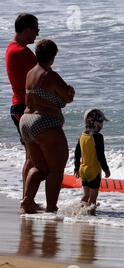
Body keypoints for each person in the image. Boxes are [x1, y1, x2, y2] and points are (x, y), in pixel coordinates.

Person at [19, 39, 75, 213]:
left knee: (40, 167)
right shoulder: (50, 75)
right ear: (53, 56)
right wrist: (71, 91)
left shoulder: (30, 73)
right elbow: (67, 96)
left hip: (26, 120)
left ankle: (27, 200)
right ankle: (51, 207)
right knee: (56, 169)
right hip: (45, 121)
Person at [5, 13, 39, 207]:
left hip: (19, 106)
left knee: (30, 155)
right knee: (33, 157)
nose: (37, 34)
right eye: (36, 29)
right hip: (24, 107)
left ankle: (27, 198)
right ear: (27, 29)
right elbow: (42, 76)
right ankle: (27, 200)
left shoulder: (12, 48)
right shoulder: (22, 52)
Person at [74, 109, 111, 215]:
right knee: (93, 198)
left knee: (86, 196)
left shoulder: (82, 136)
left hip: (83, 170)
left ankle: (78, 213)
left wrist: (76, 168)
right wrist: (106, 169)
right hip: (94, 171)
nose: (102, 125)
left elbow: (77, 153)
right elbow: (100, 155)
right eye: (101, 122)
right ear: (95, 123)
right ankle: (91, 217)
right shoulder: (98, 137)